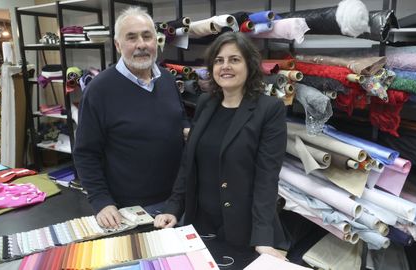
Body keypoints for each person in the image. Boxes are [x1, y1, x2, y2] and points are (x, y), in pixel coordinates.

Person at [154, 32, 289, 261]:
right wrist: (173, 207)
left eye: (234, 60)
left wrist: (263, 239)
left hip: (244, 230)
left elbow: (267, 178)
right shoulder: (206, 103)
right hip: (201, 224)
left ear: (250, 65)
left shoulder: (269, 109)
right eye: (219, 60)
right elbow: (189, 162)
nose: (225, 66)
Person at [73, 6, 189, 229]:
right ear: (118, 45)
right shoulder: (99, 90)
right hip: (129, 211)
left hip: (175, 203)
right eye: (131, 37)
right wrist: (101, 201)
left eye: (147, 36)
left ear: (156, 41)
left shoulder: (166, 79)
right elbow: (85, 153)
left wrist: (185, 127)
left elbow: (179, 115)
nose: (141, 44)